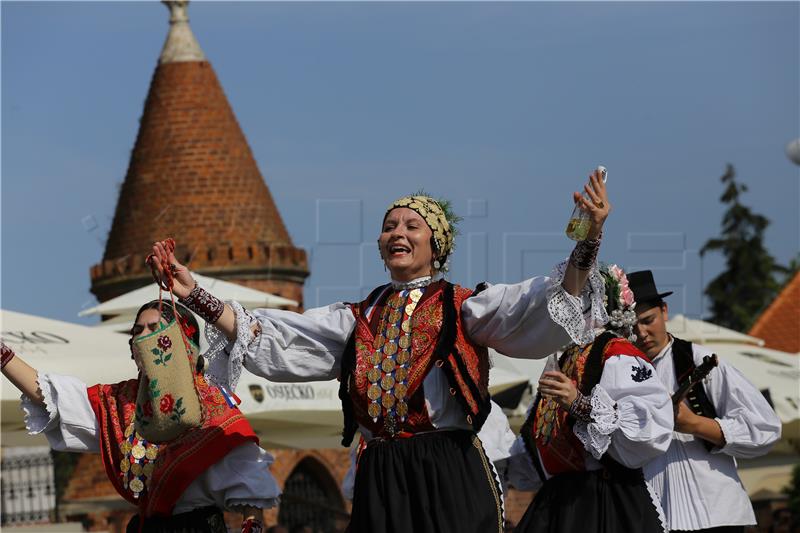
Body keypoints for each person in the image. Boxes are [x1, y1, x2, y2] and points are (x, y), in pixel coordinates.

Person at [150, 171, 611, 533]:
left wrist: (587, 242)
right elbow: (277, 336)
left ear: (437, 245)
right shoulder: (358, 317)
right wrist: (195, 294)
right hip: (381, 474)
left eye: (413, 225)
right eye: (390, 226)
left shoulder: (464, 306)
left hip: (446, 467)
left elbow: (536, 307)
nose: (398, 232)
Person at [1, 300, 280, 533]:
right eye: (137, 330)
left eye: (154, 329)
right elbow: (53, 396)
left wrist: (251, 526)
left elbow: (250, 491)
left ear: (183, 343)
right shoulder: (120, 402)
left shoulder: (213, 405)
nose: (142, 336)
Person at [506, 264, 673, 533]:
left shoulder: (615, 354)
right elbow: (532, 449)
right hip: (558, 504)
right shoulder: (563, 357)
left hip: (604, 502)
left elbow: (651, 426)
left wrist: (581, 405)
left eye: (571, 297)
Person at [628, 270, 782, 533]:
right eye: (631, 326)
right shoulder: (622, 377)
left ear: (664, 311)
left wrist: (695, 424)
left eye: (647, 320)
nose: (641, 332)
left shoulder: (701, 361)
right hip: (655, 517)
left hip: (718, 513)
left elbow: (766, 428)